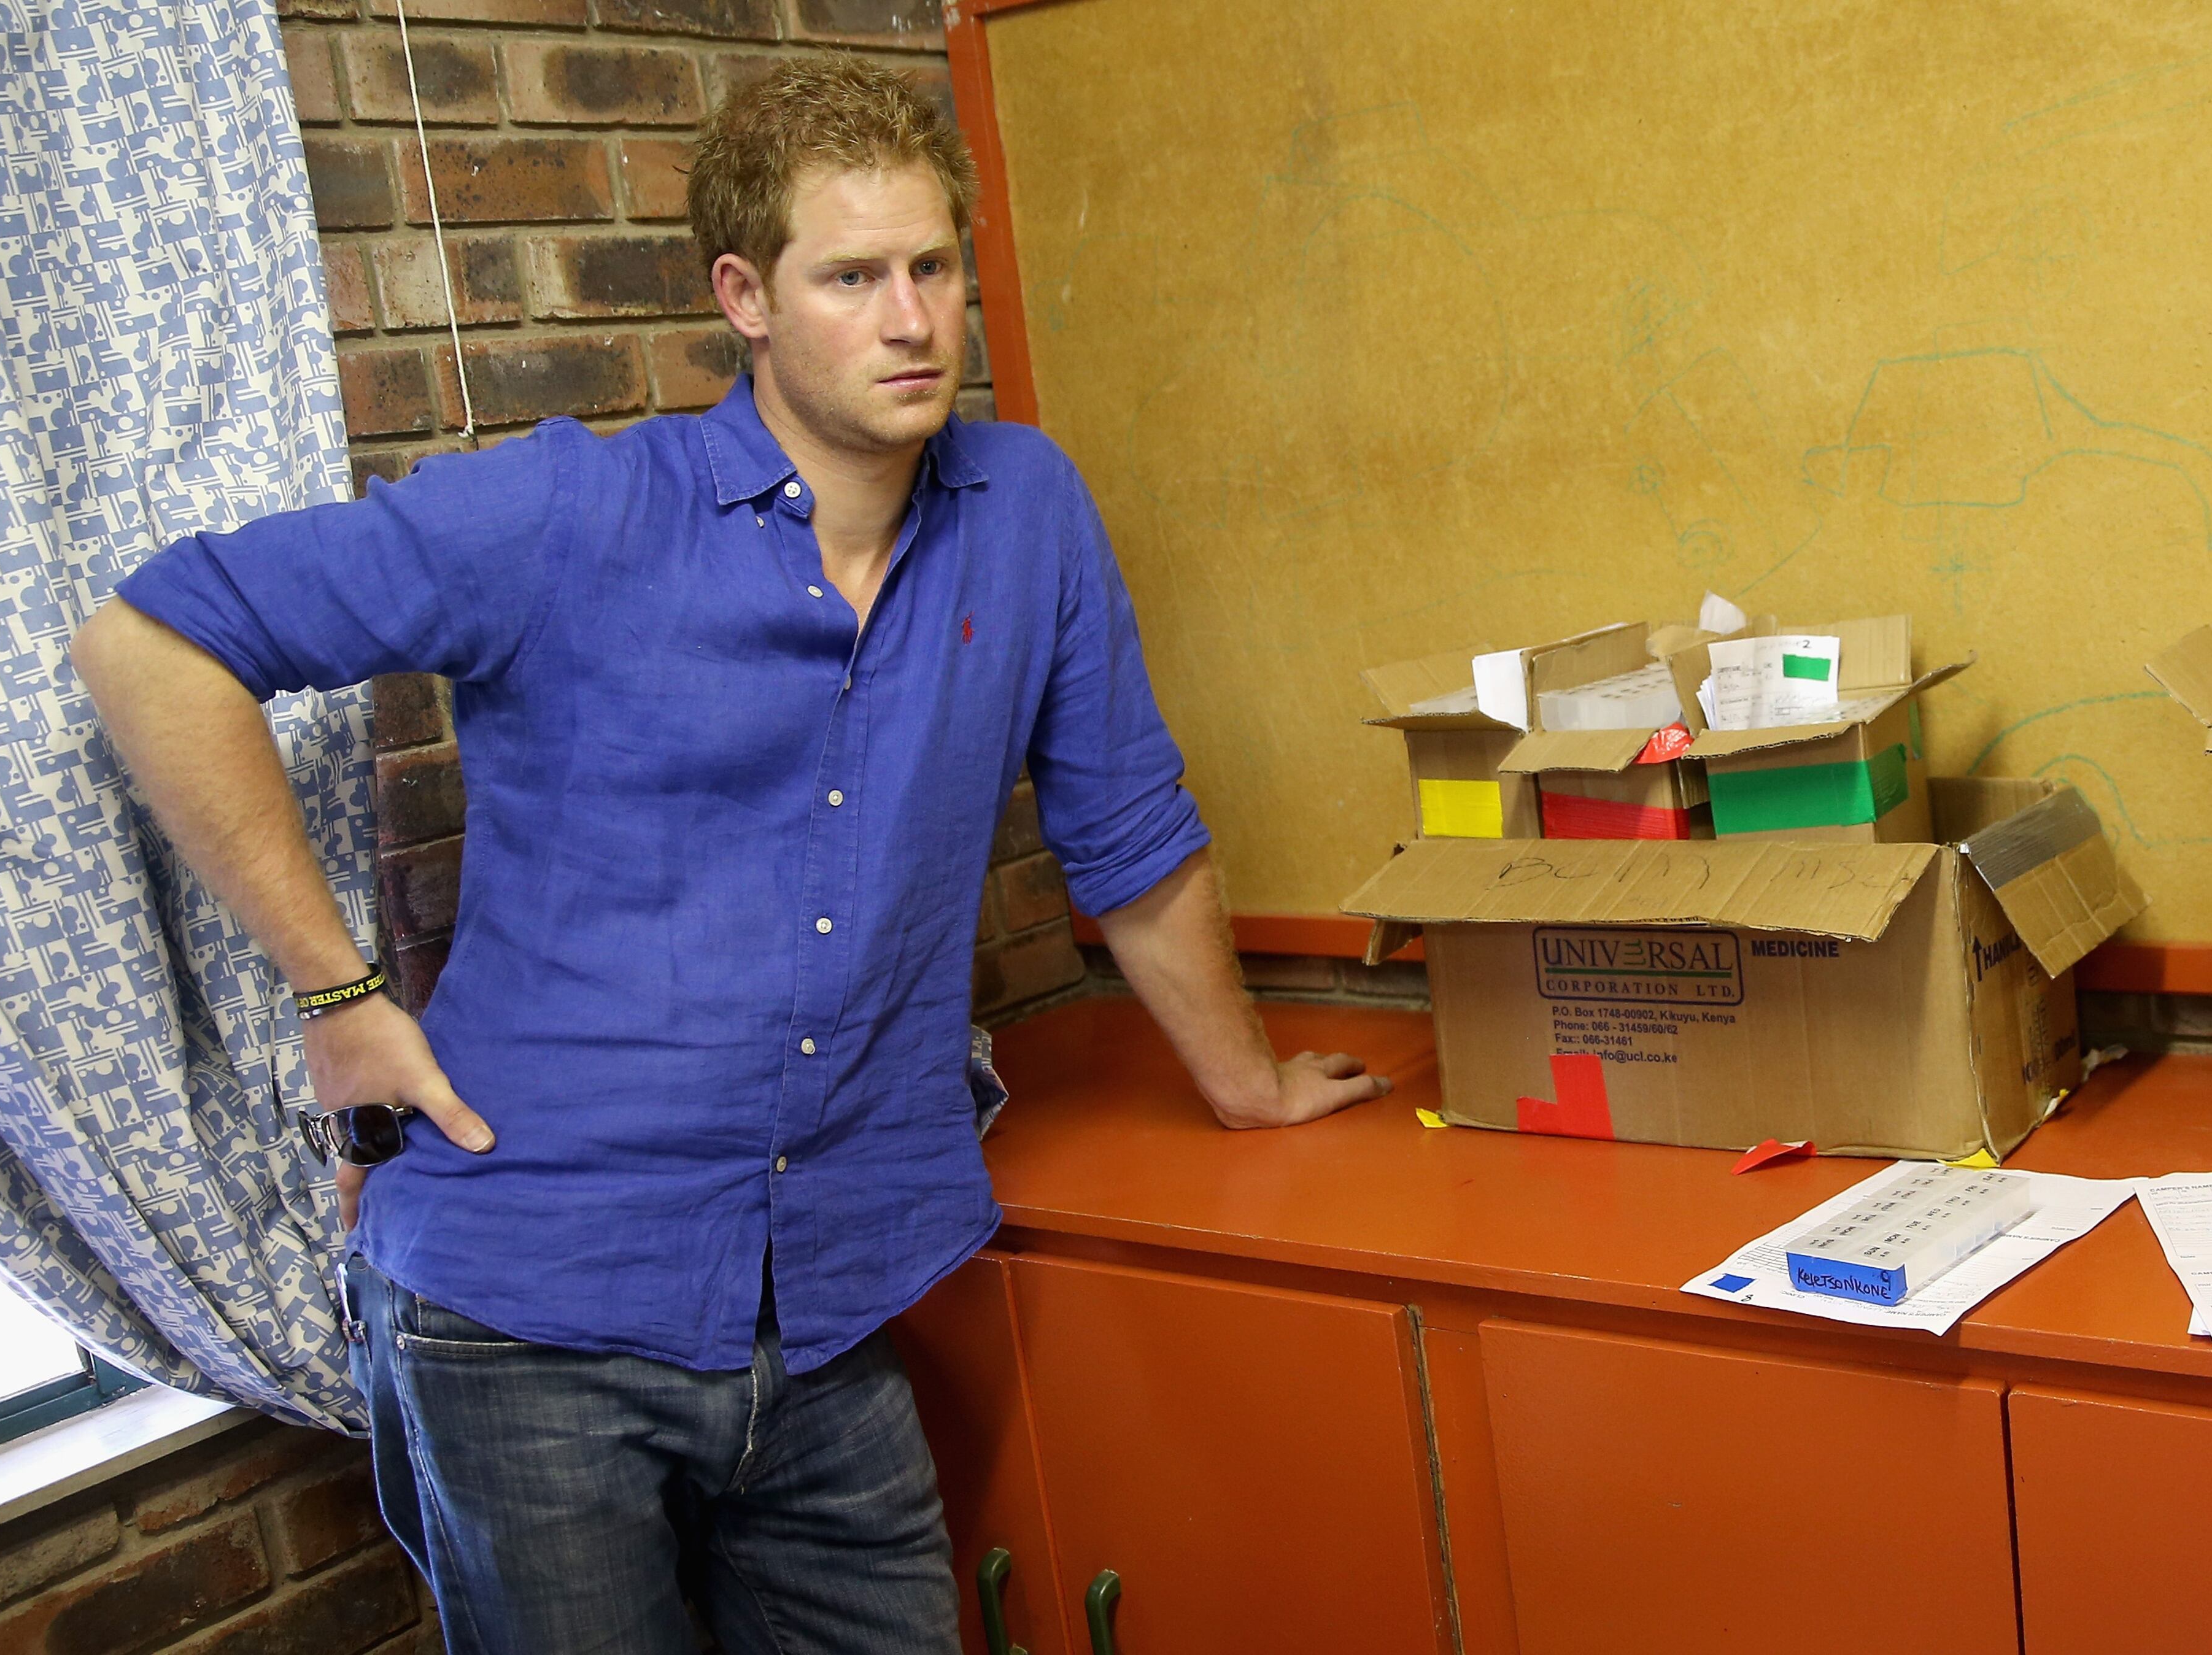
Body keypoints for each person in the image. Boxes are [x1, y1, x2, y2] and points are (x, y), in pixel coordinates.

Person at [73, 51, 1392, 1655]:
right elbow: (151, 644)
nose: (911, 319)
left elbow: (1130, 838)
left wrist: (1245, 1085)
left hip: (830, 1303)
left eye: (933, 268)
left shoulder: (1026, 507)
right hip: (527, 1308)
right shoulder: (568, 515)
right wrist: (336, 990)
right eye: (852, 277)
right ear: (745, 299)